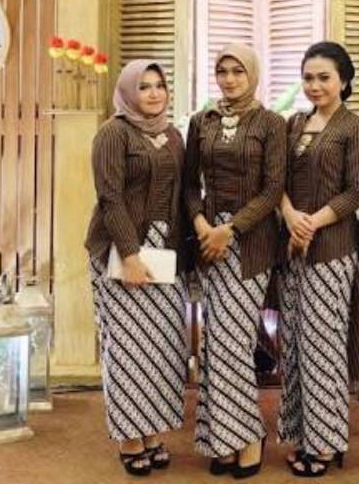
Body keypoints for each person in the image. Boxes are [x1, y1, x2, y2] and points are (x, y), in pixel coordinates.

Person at [185, 43, 287, 479]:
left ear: (253, 75)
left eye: (237, 71)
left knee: (232, 343)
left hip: (250, 244)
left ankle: (248, 436)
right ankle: (222, 440)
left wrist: (230, 229)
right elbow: (189, 185)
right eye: (222, 71)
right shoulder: (201, 121)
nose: (229, 79)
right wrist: (201, 223)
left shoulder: (271, 123)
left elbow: (272, 189)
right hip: (209, 243)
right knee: (215, 344)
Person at [85, 60, 188, 477]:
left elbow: (182, 194)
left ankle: (152, 432)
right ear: (129, 92)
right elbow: (109, 197)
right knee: (128, 350)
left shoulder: (174, 135)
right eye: (144, 86)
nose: (153, 93)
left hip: (165, 254)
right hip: (120, 248)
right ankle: (130, 438)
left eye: (159, 85)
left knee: (161, 349)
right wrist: (129, 255)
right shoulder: (113, 133)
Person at [277, 41, 359, 478]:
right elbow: (275, 180)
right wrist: (289, 216)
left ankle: (326, 443)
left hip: (331, 248)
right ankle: (304, 436)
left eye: (324, 78)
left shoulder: (355, 127)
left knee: (323, 346)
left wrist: (311, 222)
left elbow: (357, 190)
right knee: (296, 346)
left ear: (344, 80)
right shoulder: (295, 124)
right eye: (308, 77)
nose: (315, 85)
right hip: (292, 246)